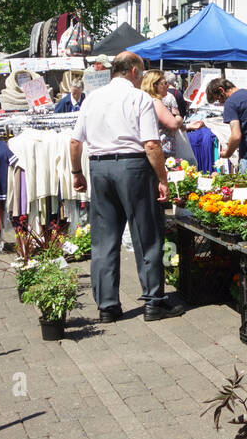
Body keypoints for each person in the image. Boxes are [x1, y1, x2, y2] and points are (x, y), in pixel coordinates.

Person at [68, 52, 185, 323]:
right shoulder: (139, 97)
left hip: (99, 167)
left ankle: (107, 306)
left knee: (104, 239)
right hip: (132, 167)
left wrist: (76, 172)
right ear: (133, 71)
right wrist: (163, 178)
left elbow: (75, 142)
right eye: (142, 71)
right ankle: (153, 301)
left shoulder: (92, 97)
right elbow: (151, 144)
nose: (143, 76)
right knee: (146, 234)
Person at [141, 69, 202, 159]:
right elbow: (173, 124)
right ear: (155, 85)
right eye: (165, 83)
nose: (168, 86)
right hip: (160, 151)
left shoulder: (147, 100)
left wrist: (186, 126)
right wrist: (177, 116)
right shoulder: (155, 102)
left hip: (158, 150)